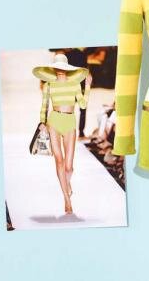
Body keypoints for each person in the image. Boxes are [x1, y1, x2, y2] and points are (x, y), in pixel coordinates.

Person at [33, 53, 92, 214]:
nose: (59, 69)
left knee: (69, 166)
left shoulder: (74, 84)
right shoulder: (49, 85)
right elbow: (44, 105)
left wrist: (87, 86)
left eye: (62, 67)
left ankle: (66, 184)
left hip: (69, 122)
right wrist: (42, 122)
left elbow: (83, 105)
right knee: (59, 160)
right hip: (54, 121)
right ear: (54, 68)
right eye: (57, 67)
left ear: (67, 68)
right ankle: (67, 199)